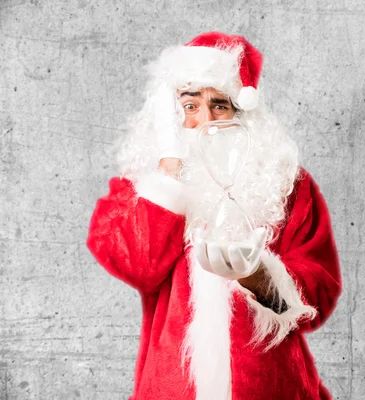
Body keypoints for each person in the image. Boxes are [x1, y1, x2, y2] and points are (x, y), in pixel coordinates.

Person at [86, 31, 342, 400]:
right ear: (171, 114)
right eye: (190, 106)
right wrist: (170, 169)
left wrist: (259, 279)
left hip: (270, 386)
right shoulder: (141, 189)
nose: (206, 120)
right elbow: (139, 266)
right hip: (172, 384)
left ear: (242, 112)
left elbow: (319, 289)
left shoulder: (285, 183)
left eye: (219, 105)